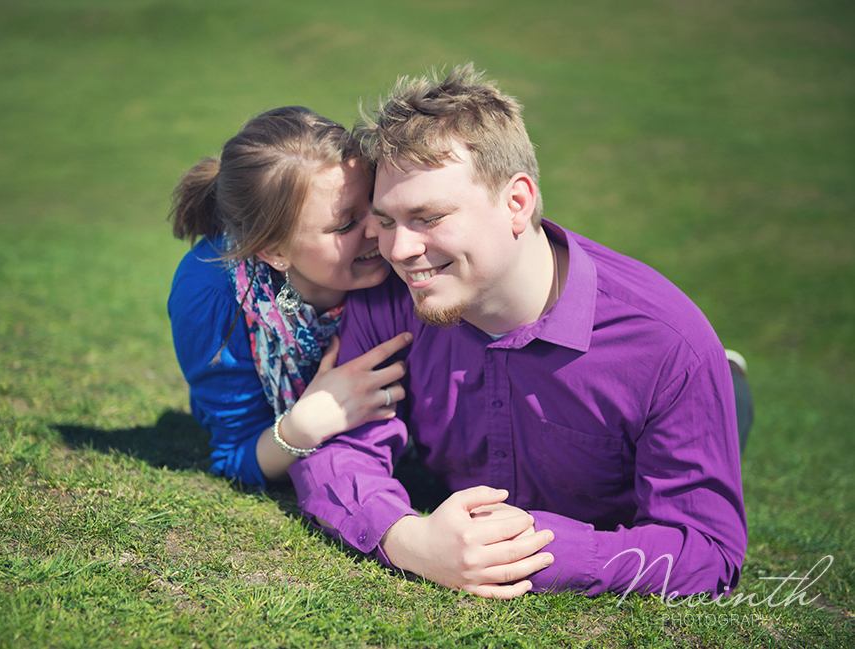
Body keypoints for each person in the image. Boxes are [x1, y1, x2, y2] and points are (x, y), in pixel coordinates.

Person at [288, 65, 749, 599]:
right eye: (387, 221)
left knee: (729, 406)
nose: (399, 250)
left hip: (704, 387)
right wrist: (408, 538)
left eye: (428, 217)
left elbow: (706, 551)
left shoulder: (669, 347)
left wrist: (526, 552)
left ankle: (732, 383)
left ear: (517, 202)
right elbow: (339, 449)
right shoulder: (393, 295)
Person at [168, 106, 412, 488]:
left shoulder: (405, 246)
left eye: (376, 203)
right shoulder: (210, 294)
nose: (378, 228)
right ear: (273, 251)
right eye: (346, 223)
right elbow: (235, 453)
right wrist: (304, 425)